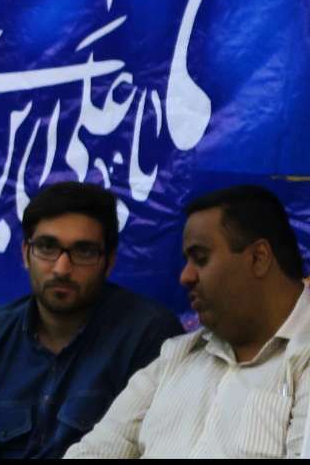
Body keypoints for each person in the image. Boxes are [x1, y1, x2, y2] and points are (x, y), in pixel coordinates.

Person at [0, 182, 182, 459]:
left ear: (108, 262)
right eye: (47, 247)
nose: (61, 268)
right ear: (25, 254)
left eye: (83, 251)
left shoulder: (148, 336)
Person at [66, 184, 309, 458]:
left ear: (258, 257)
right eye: (187, 261)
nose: (185, 276)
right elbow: (94, 451)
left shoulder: (303, 358)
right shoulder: (176, 357)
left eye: (201, 259)